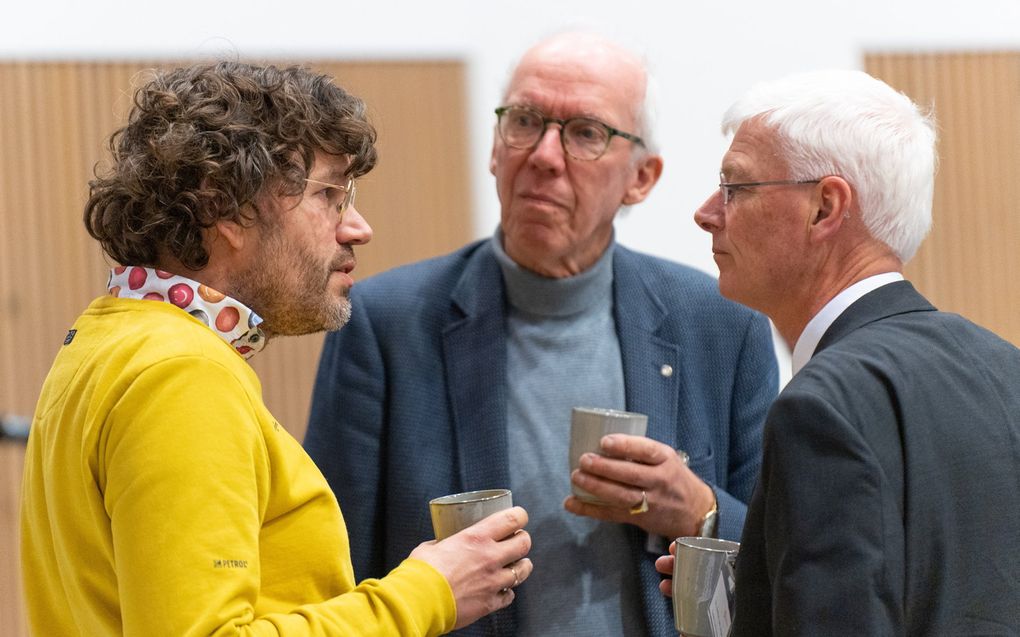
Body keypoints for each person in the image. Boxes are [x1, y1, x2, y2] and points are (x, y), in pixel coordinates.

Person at [20, 61, 533, 636]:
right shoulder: (181, 374)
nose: (357, 227)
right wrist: (425, 593)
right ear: (224, 207)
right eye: (330, 195)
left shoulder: (105, 339)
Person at [304, 33, 778, 636]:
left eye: (585, 132)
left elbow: (786, 559)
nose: (545, 156)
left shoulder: (720, 324)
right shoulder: (387, 321)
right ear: (496, 150)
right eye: (524, 121)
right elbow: (332, 564)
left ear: (641, 178)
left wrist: (702, 514)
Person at [657, 68, 1020, 634]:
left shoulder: (821, 407)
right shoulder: (1006, 369)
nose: (707, 213)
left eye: (736, 187)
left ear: (825, 208)